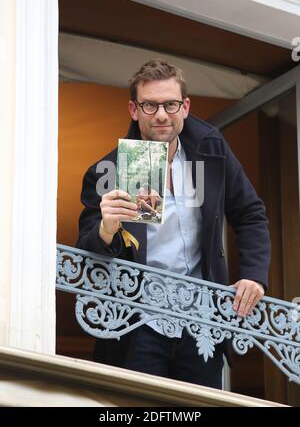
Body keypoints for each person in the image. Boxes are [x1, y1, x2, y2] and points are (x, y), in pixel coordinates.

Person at [77, 59, 270, 388]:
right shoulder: (107, 170)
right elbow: (86, 252)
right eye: (150, 105)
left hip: (200, 319)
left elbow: (250, 213)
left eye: (170, 104)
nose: (162, 115)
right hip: (138, 322)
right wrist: (106, 230)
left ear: (185, 106)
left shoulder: (210, 149)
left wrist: (254, 275)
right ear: (134, 109)